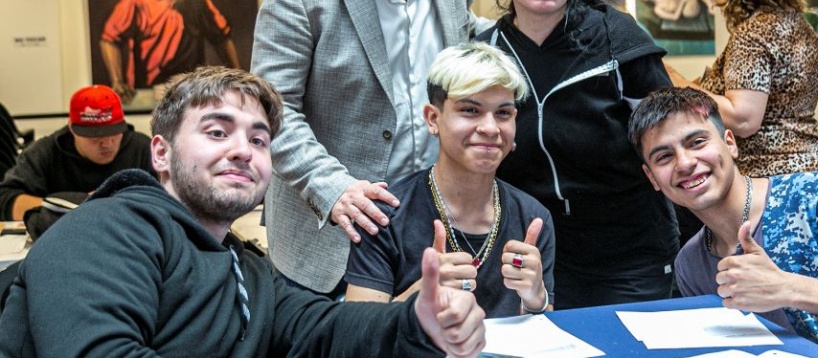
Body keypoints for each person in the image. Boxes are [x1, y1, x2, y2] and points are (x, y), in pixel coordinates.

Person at [0, 66, 486, 357]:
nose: (242, 150)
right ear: (161, 154)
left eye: (258, 139)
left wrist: (419, 323)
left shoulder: (247, 267)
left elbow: (321, 328)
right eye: (216, 132)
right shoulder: (106, 231)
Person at [251, 0, 475, 297]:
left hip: (428, 228)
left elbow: (469, 49)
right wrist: (334, 189)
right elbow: (272, 111)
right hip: (330, 235)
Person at [477, 0, 678, 310]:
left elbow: (674, 140)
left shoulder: (617, 40)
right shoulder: (487, 56)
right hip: (532, 254)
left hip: (630, 254)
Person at [628, 87, 818, 357]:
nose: (684, 163)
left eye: (697, 142)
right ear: (653, 178)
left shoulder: (816, 196)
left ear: (730, 143)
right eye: (664, 157)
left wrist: (789, 289)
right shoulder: (690, 264)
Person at [345, 43, 554, 317]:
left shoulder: (533, 218)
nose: (490, 128)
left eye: (503, 113)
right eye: (470, 110)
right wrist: (420, 293)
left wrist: (536, 299)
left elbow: (543, 335)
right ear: (433, 118)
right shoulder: (384, 217)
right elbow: (356, 338)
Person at [665, 0, 818, 177]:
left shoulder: (753, 33)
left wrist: (678, 84)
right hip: (813, 168)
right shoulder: (800, 25)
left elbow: (743, 119)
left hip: (772, 176)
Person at [100, 0, 241, 103]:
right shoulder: (136, 0)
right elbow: (110, 39)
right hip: (150, 93)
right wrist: (117, 82)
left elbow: (221, 38)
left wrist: (239, 78)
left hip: (192, 94)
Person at [0, 84, 154, 221]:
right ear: (72, 129)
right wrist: (72, 205)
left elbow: (169, 200)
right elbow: (4, 199)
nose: (107, 143)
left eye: (113, 132)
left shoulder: (142, 148)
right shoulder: (45, 152)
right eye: (95, 136)